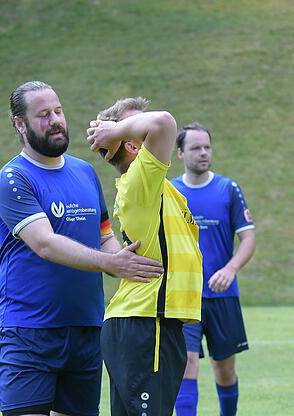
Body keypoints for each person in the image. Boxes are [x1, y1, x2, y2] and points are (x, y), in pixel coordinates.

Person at [0, 81, 163, 416]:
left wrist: (133, 261)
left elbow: (103, 236)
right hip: (28, 331)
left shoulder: (84, 172)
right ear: (20, 124)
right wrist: (113, 264)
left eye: (58, 111)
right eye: (42, 115)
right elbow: (45, 243)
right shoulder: (12, 179)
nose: (55, 120)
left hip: (86, 330)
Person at [86, 97, 202, 416]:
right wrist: (115, 131)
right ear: (133, 145)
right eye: (138, 124)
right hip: (145, 325)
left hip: (150, 325)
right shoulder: (140, 181)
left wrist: (117, 131)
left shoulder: (158, 187)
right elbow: (163, 123)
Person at [170, 122, 256, 416]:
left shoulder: (228, 189)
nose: (203, 153)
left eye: (207, 147)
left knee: (225, 368)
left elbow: (248, 238)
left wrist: (230, 269)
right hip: (185, 297)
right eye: (196, 148)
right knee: (186, 364)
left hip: (223, 296)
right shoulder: (169, 192)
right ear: (180, 153)